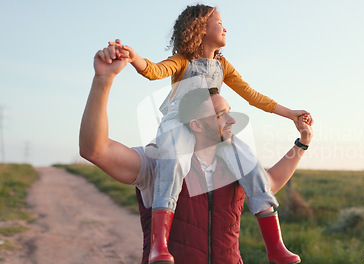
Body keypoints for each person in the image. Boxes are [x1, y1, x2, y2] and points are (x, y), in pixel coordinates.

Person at [104, 4, 313, 264]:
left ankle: (275, 247)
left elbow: (252, 96)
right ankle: (160, 245)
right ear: (200, 28)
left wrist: (290, 113)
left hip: (214, 128)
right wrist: (134, 58)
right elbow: (154, 71)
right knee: (174, 162)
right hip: (178, 124)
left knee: (251, 166)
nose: (225, 27)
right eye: (219, 22)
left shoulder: (222, 65)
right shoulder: (182, 60)